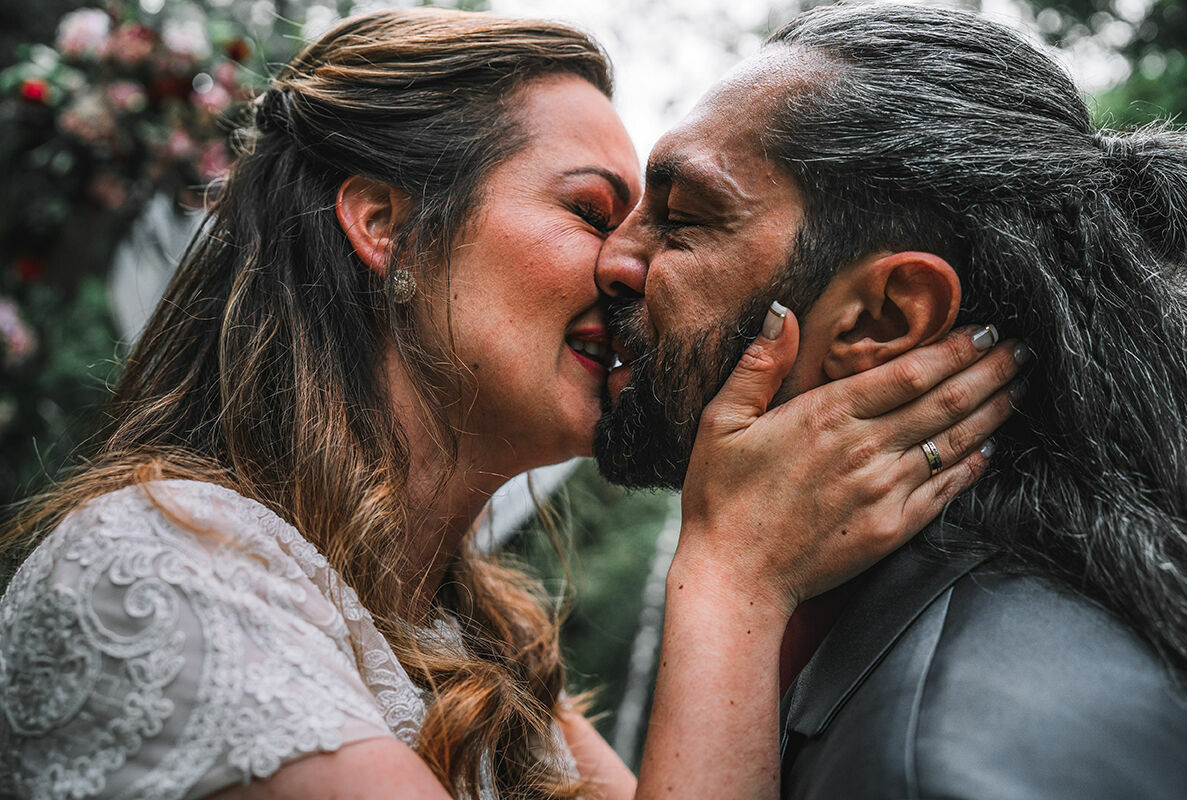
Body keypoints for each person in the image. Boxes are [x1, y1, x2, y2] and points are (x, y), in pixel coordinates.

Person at [0, 8, 1019, 800]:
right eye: (589, 210)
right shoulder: (157, 569)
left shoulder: (484, 650)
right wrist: (734, 574)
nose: (631, 265)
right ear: (385, 222)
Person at [594, 3, 1187, 798]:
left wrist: (727, 576)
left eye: (679, 220)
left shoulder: (932, 765)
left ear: (882, 318)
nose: (612, 259)